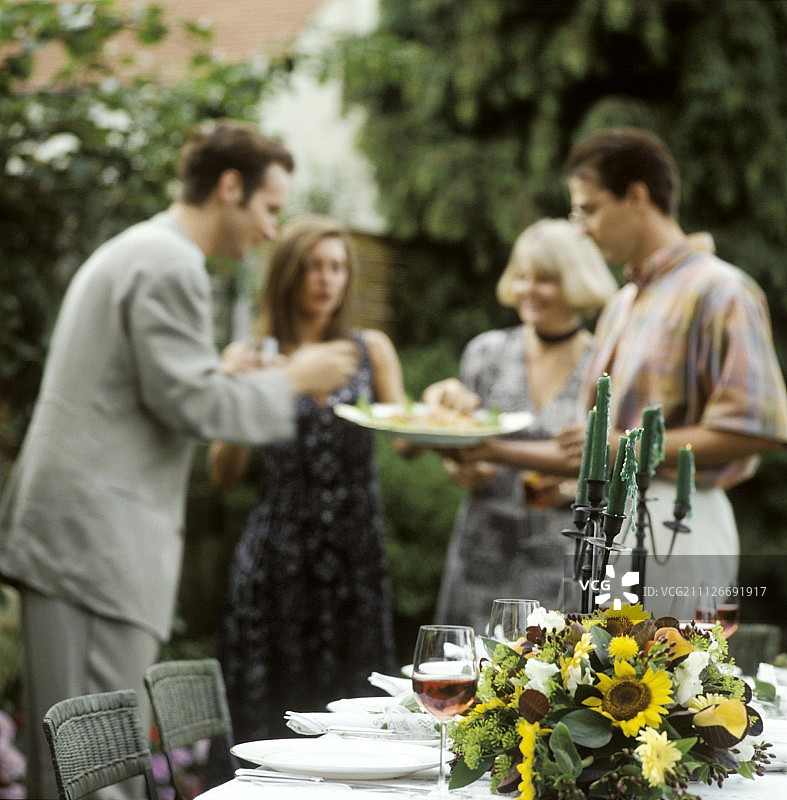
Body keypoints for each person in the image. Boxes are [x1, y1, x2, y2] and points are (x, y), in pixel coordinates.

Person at [0, 120, 359, 799]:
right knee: (92, 772)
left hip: (84, 544)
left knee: (97, 763)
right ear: (229, 187)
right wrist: (294, 379)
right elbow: (193, 407)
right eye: (267, 208)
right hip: (90, 551)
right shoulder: (170, 264)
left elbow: (161, 388)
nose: (269, 230)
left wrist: (226, 372)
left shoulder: (142, 251)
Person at [561, 126, 787, 617]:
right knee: (602, 690)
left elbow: (761, 428)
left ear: (637, 196)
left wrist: (626, 446)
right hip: (606, 523)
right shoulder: (622, 302)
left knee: (676, 689)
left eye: (589, 208)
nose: (581, 227)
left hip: (680, 527)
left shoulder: (722, 289)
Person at [208, 215, 407, 741]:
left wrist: (451, 400)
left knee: (361, 717)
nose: (327, 279)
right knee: (270, 718)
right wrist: (242, 394)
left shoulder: (370, 350)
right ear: (288, 275)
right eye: (314, 266)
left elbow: (408, 439)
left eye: (337, 267)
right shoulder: (253, 356)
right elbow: (222, 474)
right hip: (278, 560)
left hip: (355, 557)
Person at [425, 219, 617, 632]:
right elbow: (456, 452)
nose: (528, 289)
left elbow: (608, 462)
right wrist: (461, 469)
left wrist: (566, 487)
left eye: (544, 279)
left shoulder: (603, 365)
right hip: (481, 553)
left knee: (550, 682)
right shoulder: (486, 353)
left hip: (563, 556)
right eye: (522, 276)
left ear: (575, 282)